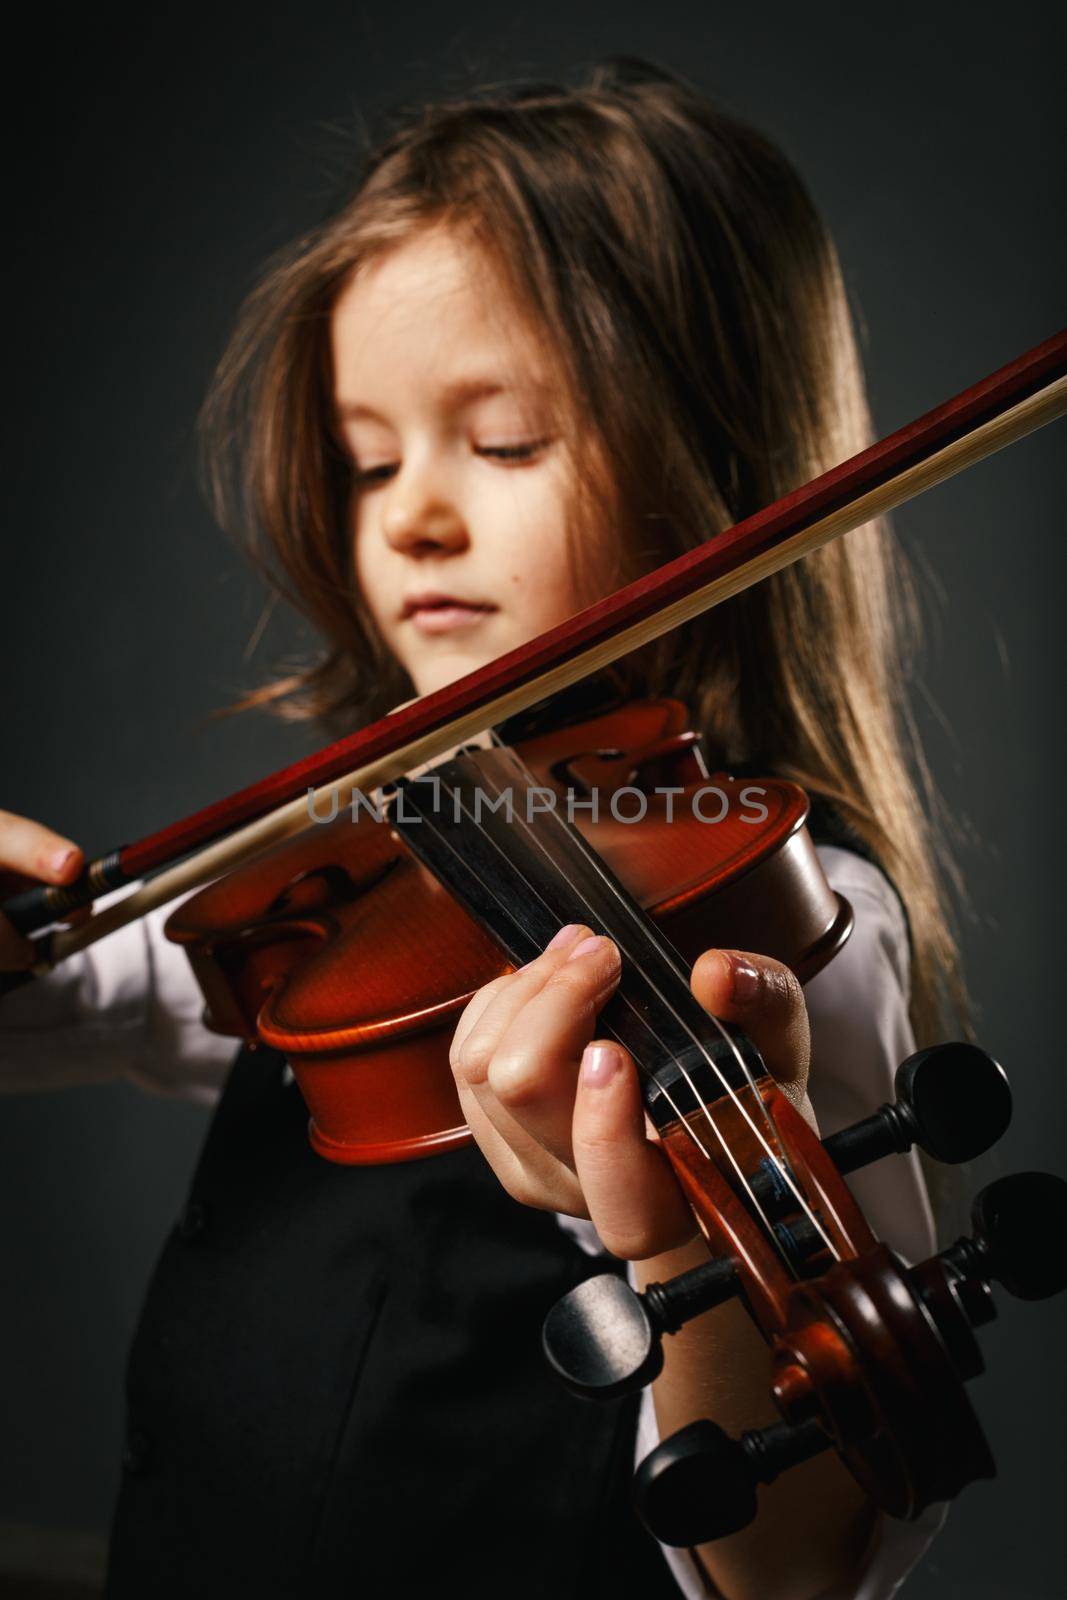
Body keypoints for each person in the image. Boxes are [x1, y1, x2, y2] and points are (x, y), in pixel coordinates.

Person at [0, 58, 958, 1600]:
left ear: (721, 470)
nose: (407, 518)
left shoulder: (787, 930)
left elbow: (801, 1564)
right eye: (370, 459)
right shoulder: (337, 899)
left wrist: (664, 1240)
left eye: (503, 442)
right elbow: (81, 998)